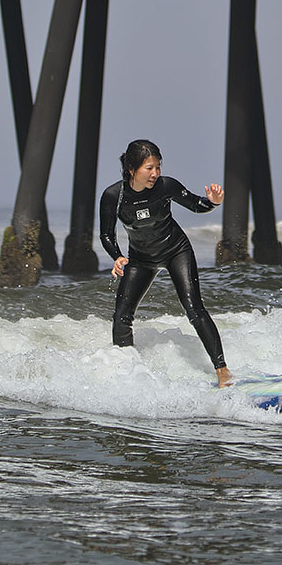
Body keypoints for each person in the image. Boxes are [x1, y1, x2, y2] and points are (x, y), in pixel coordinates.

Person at [99, 139, 232, 386]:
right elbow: (106, 234)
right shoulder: (113, 196)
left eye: (157, 167)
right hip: (141, 258)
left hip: (175, 251)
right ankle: (126, 372)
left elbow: (196, 204)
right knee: (121, 316)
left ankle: (222, 370)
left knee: (194, 308)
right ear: (131, 169)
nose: (155, 173)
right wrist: (117, 256)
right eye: (149, 168)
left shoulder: (165, 186)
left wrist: (212, 202)